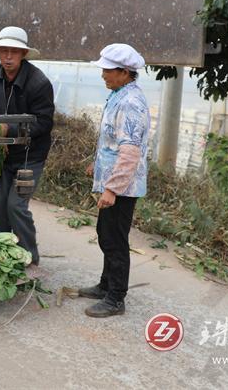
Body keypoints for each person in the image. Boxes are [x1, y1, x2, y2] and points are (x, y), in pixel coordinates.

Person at [81, 43, 150, 318]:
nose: (103, 75)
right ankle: (105, 285)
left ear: (124, 72)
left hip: (123, 187)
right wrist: (97, 164)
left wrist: (111, 189)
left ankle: (116, 298)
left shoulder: (131, 102)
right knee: (105, 234)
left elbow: (130, 151)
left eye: (107, 70)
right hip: (114, 181)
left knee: (115, 240)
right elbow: (113, 141)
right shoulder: (119, 94)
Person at [0, 26, 54, 266]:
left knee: (16, 206)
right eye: (4, 51)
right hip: (2, 153)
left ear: (23, 54)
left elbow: (44, 123)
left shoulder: (39, 83)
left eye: (14, 52)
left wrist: (7, 129)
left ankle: (29, 257)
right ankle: (4, 254)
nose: (8, 57)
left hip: (29, 156)